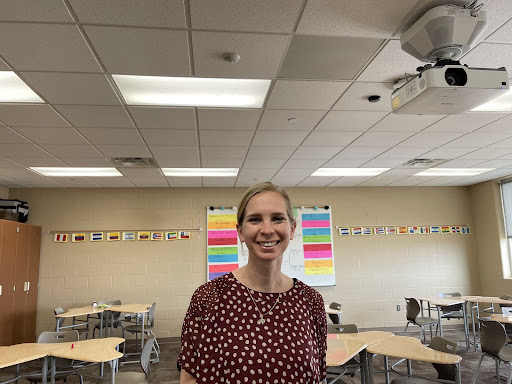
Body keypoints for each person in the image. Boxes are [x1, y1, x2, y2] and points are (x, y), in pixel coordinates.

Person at [179, 182, 327, 384]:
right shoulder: (208, 298)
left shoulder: (310, 301)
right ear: (240, 231)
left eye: (277, 219)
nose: (267, 230)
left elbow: (317, 375)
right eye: (255, 220)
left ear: (292, 229)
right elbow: (189, 378)